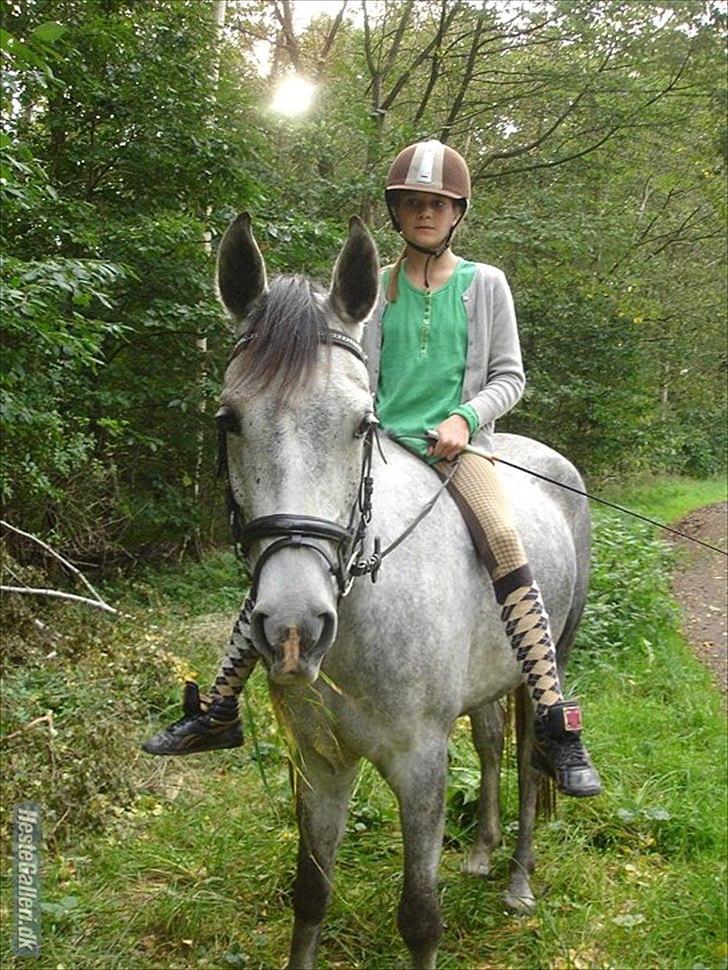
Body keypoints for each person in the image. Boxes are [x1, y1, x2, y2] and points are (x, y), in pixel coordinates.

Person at [142, 139, 601, 798]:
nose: (423, 214)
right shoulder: (374, 289)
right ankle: (217, 705)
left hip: (461, 450)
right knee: (299, 546)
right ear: (397, 212)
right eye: (412, 203)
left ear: (456, 212)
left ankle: (556, 718)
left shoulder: (486, 284)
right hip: (383, 446)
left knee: (503, 540)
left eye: (435, 204)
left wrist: (464, 419)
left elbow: (510, 377)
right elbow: (360, 376)